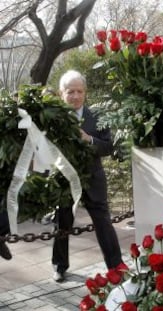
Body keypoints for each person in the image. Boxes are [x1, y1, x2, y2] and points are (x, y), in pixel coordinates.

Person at [52, 70, 123, 282]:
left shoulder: (98, 117)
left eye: (79, 91)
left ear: (85, 92)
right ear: (61, 94)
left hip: (94, 179)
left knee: (103, 223)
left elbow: (109, 147)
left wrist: (89, 140)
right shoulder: (53, 118)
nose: (75, 96)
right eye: (70, 91)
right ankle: (59, 266)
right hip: (64, 179)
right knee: (62, 223)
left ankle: (116, 266)